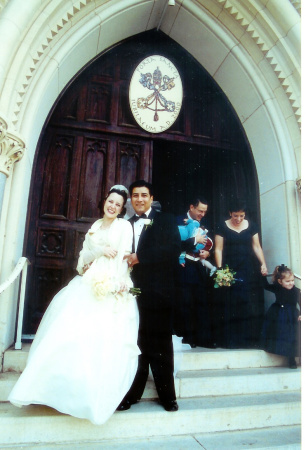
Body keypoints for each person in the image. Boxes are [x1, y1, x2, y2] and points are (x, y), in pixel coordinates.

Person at [8, 186, 140, 425]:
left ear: (122, 210)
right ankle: (54, 392)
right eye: (110, 201)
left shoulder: (123, 227)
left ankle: (87, 398)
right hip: (87, 283)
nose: (112, 206)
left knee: (97, 341)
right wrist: (96, 253)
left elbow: (123, 258)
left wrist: (117, 284)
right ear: (104, 201)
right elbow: (82, 258)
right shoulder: (95, 226)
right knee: (69, 336)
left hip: (109, 283)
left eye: (118, 205)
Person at [117, 180, 181, 412]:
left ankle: (168, 397)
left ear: (151, 198)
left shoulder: (165, 220)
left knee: (161, 344)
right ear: (131, 199)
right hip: (131, 292)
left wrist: (140, 256)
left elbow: (173, 249)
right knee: (135, 344)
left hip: (159, 292)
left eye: (144, 195)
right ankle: (131, 394)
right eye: (135, 195)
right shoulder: (124, 224)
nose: (140, 199)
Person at [214, 199, 268, 349]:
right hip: (229, 268)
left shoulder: (252, 226)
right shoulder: (222, 226)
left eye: (241, 216)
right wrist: (220, 270)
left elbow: (256, 247)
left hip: (248, 268)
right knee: (231, 303)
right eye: (235, 215)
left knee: (247, 302)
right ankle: (231, 340)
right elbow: (218, 249)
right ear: (230, 213)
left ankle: (248, 340)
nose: (238, 219)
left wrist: (263, 263)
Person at [174, 197, 213, 348]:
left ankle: (201, 338)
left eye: (205, 211)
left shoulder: (204, 223)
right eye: (200, 210)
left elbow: (208, 244)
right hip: (183, 267)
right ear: (191, 207)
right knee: (184, 303)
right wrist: (193, 241)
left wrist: (207, 254)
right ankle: (186, 338)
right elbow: (174, 243)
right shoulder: (177, 220)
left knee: (200, 302)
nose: (202, 214)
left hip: (198, 268)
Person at [261, 265, 301, 369]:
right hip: (278, 313)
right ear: (280, 281)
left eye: (292, 280)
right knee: (282, 334)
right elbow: (265, 286)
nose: (291, 283)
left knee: (293, 335)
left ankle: (296, 358)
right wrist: (263, 275)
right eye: (287, 281)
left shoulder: (296, 291)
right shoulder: (277, 288)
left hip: (292, 315)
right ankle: (287, 355)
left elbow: (301, 303)